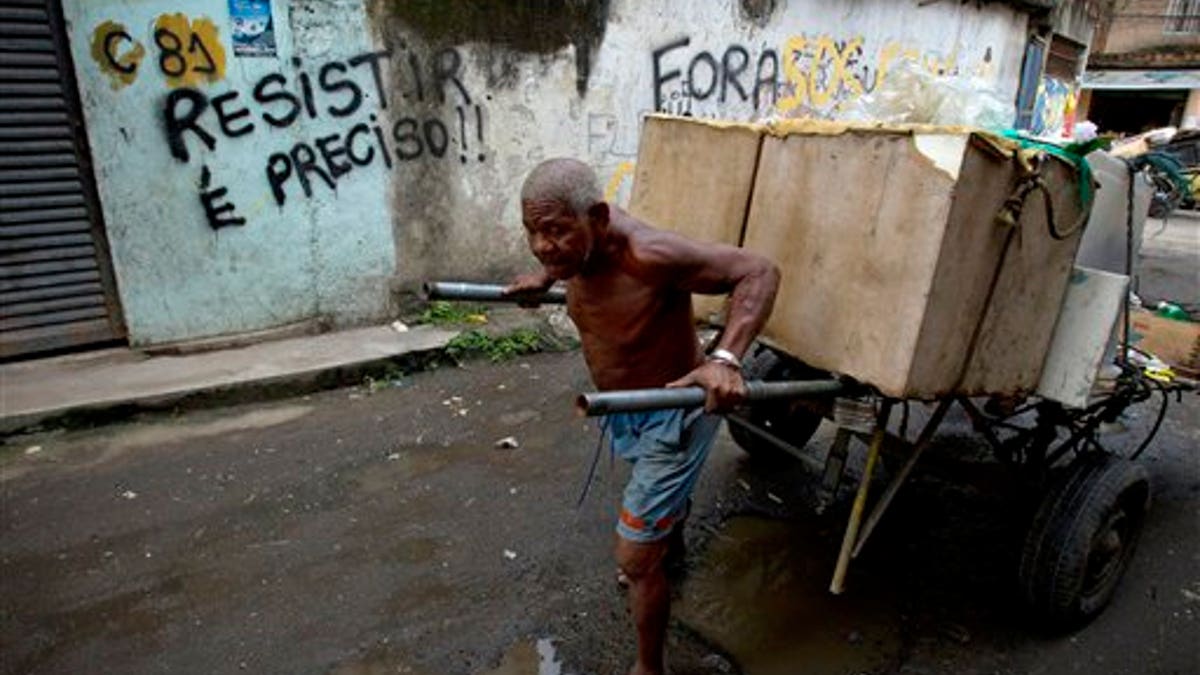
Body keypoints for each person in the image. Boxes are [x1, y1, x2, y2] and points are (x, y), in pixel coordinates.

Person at [505, 158, 780, 675]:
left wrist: (725, 359)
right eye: (532, 233)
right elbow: (564, 254)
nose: (543, 245)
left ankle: (649, 667)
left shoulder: (647, 255)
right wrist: (548, 275)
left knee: (633, 560)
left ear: (599, 220)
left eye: (556, 233)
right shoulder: (580, 247)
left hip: (673, 414)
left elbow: (759, 270)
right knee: (653, 517)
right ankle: (665, 545)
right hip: (626, 410)